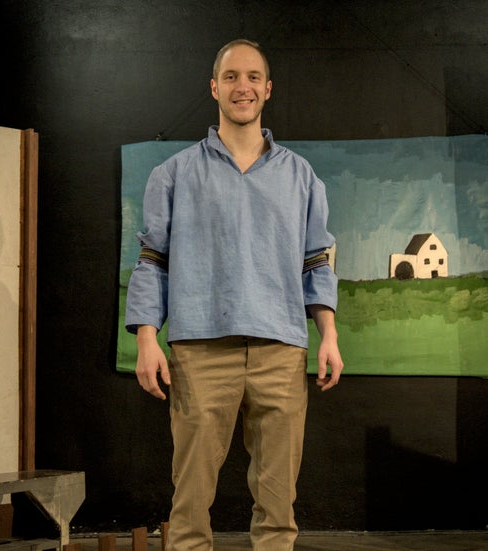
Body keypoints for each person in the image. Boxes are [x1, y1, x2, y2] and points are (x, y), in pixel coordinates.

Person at [125, 38, 344, 551]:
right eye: (230, 77)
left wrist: (328, 334)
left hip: (281, 351)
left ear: (267, 90)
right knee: (190, 505)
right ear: (214, 87)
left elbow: (317, 262)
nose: (241, 86)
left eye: (252, 77)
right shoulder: (174, 174)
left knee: (277, 508)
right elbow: (152, 260)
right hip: (200, 351)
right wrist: (146, 339)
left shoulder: (301, 177)